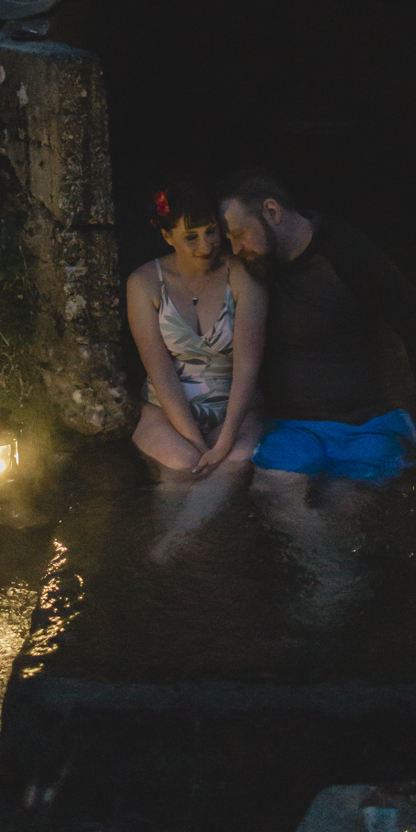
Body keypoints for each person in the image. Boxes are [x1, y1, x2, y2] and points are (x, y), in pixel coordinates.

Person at [218, 168, 416, 512]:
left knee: (345, 502)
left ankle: (339, 562)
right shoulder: (253, 268)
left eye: (239, 234)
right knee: (274, 493)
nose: (235, 247)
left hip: (367, 423)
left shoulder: (343, 250)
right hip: (297, 427)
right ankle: (323, 567)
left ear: (272, 212)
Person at [127, 178, 266, 555]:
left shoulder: (241, 274)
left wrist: (222, 443)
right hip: (166, 408)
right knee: (183, 464)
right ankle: (170, 550)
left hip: (235, 405)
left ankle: (179, 547)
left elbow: (248, 366)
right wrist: (194, 439)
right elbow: (160, 371)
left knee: (233, 464)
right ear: (167, 235)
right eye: (191, 237)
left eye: (211, 232)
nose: (206, 246)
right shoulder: (144, 282)